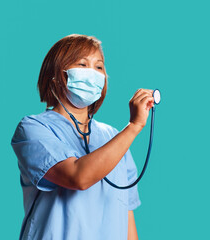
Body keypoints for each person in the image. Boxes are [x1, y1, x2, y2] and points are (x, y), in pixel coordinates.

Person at [11, 34, 155, 240]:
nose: (93, 73)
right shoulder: (33, 128)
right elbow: (78, 177)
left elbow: (127, 217)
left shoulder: (113, 136)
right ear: (56, 74)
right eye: (82, 64)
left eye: (99, 67)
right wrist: (134, 126)